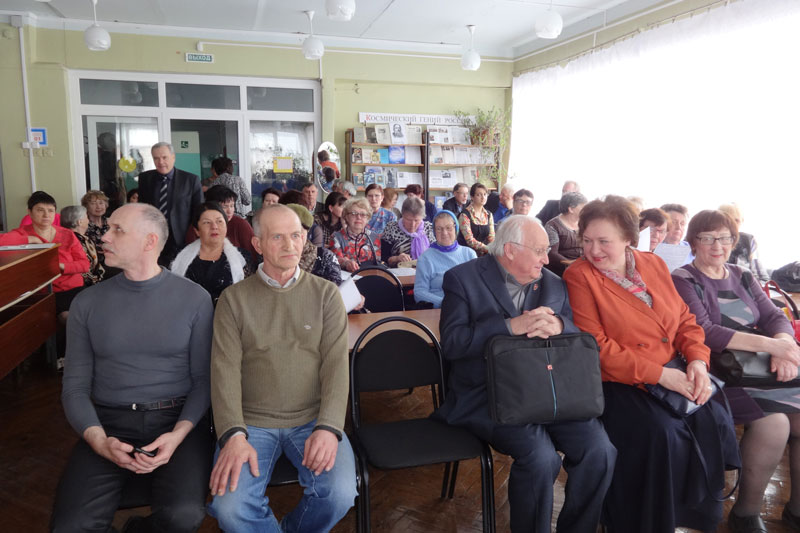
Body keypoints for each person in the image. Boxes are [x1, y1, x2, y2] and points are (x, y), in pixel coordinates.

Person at [562, 195, 740, 533]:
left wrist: (698, 362)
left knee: (713, 414)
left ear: (628, 239)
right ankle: (644, 521)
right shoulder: (579, 276)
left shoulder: (653, 264)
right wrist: (661, 376)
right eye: (586, 240)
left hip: (673, 370)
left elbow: (685, 320)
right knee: (662, 433)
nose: (594, 250)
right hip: (619, 381)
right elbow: (596, 347)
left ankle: (692, 517)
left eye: (604, 241)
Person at [435, 215, 616, 532]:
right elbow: (452, 344)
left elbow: (577, 335)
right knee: (541, 458)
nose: (547, 259)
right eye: (540, 251)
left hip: (547, 392)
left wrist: (559, 326)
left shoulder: (554, 284)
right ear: (510, 250)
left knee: (599, 451)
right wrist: (508, 327)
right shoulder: (462, 279)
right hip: (487, 395)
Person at [51, 203, 214, 533]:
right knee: (71, 526)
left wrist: (178, 435)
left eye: (117, 230)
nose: (104, 237)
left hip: (177, 420)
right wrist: (98, 440)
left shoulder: (195, 299)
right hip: (108, 423)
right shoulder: (87, 303)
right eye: (107, 228)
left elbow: (203, 380)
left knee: (183, 515)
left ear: (149, 241)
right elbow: (75, 386)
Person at [207, 204, 357, 532]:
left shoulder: (326, 295)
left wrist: (329, 427)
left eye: (296, 235)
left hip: (313, 419)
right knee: (230, 508)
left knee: (340, 494)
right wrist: (233, 433)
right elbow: (224, 373)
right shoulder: (233, 300)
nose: (290, 245)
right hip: (250, 424)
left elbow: (336, 368)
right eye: (277, 237)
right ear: (258, 244)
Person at [672, 210, 800, 533]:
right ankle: (745, 513)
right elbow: (705, 331)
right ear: (693, 242)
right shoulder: (683, 279)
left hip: (759, 366)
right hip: (718, 372)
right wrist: (772, 346)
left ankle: (797, 510)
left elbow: (775, 317)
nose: (718, 246)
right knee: (775, 425)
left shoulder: (742, 274)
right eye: (708, 238)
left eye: (725, 238)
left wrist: (785, 345)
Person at [0, 191, 89, 320]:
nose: (46, 215)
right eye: (40, 210)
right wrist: (29, 239)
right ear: (29, 212)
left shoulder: (67, 234)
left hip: (73, 289)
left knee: (83, 317)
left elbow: (84, 265)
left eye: (50, 210)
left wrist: (60, 266)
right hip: (40, 293)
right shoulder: (22, 233)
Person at [171, 202, 251, 305]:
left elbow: (247, 297)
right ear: (197, 230)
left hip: (227, 314)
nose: (214, 227)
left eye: (219, 221)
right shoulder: (178, 256)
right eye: (207, 222)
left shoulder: (242, 258)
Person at [138, 142, 203, 266]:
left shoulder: (190, 180)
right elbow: (142, 209)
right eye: (156, 158)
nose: (160, 162)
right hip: (154, 237)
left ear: (173, 157)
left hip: (181, 238)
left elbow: (198, 212)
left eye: (164, 157)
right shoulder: (145, 179)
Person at [414, 211, 476, 308]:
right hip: (439, 311)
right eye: (439, 229)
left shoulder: (469, 254)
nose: (444, 233)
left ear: (456, 229)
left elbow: (478, 287)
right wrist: (446, 304)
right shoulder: (425, 258)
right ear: (434, 232)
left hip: (469, 309)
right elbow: (419, 293)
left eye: (448, 228)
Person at [185, 184, 258, 260]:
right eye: (224, 206)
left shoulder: (241, 224)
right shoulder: (198, 225)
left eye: (232, 206)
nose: (229, 211)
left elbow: (253, 256)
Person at [287, 203, 343, 286]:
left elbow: (334, 288)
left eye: (297, 234)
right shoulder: (271, 254)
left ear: (307, 232)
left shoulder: (325, 257)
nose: (290, 238)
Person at [328, 197, 381, 273]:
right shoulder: (336, 237)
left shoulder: (375, 237)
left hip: (370, 276)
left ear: (368, 218)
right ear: (346, 217)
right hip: (347, 277)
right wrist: (346, 263)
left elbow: (378, 263)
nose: (358, 217)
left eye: (363, 214)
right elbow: (336, 260)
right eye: (353, 214)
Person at [719, 203, 769, 282]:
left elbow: (760, 276)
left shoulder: (749, 240)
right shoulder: (711, 242)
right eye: (728, 220)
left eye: (736, 220)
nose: (733, 224)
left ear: (742, 221)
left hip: (746, 285)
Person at [381, 197, 434, 267]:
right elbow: (383, 259)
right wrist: (397, 258)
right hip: (398, 271)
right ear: (402, 215)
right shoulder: (391, 228)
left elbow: (436, 255)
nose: (412, 224)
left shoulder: (430, 228)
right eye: (408, 220)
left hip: (426, 269)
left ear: (422, 217)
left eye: (416, 220)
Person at [544, 191, 587, 277]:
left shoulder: (584, 223)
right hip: (560, 271)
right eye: (583, 207)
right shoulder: (552, 226)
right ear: (571, 209)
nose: (586, 210)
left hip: (582, 267)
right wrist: (572, 264)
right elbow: (552, 254)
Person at [60, 205, 105, 286]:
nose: (88, 220)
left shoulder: (83, 238)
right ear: (79, 222)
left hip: (95, 276)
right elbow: (84, 271)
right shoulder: (74, 240)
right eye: (87, 217)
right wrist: (98, 280)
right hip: (86, 283)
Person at [458, 183, 495, 257]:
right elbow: (470, 240)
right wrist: (488, 249)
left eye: (485, 194)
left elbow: (491, 237)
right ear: (472, 197)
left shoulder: (488, 214)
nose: (483, 197)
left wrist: (494, 248)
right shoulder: (464, 215)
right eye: (479, 195)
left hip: (485, 254)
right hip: (467, 254)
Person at [82, 189, 111, 260]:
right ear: (86, 206)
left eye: (101, 203)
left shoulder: (111, 223)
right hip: (94, 262)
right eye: (93, 203)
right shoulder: (82, 225)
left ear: (106, 205)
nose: (98, 207)